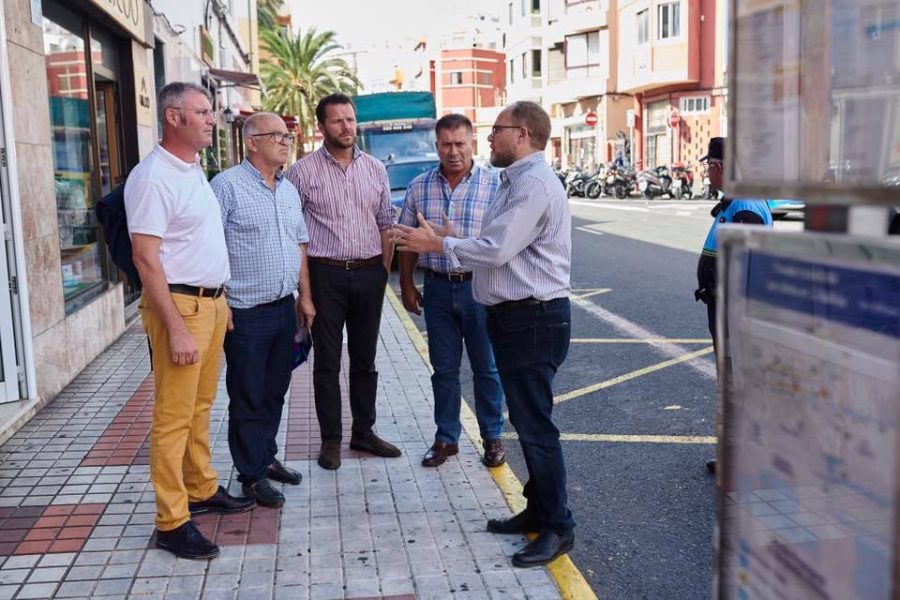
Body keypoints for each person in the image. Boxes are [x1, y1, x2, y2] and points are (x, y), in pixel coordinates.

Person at [392, 101, 575, 569]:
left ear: (524, 134)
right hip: (515, 316)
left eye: (496, 131)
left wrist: (439, 243)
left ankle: (558, 526)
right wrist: (454, 238)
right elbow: (494, 244)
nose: (488, 139)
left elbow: (494, 250)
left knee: (536, 426)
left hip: (533, 318)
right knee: (526, 419)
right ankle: (538, 509)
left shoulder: (532, 184)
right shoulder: (515, 181)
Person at [125, 82, 254, 560]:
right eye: (202, 112)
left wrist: (222, 304)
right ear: (173, 117)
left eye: (211, 112)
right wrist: (177, 327)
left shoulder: (192, 168)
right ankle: (171, 522)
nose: (212, 120)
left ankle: (201, 488)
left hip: (210, 305)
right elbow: (145, 258)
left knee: (200, 408)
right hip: (179, 308)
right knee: (173, 418)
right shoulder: (154, 176)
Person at [285, 94, 400, 471]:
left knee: (365, 359)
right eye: (337, 121)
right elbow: (295, 235)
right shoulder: (301, 173)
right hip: (325, 274)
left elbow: (386, 222)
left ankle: (363, 432)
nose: (346, 127)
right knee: (328, 363)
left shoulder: (375, 169)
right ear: (322, 127)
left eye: (350, 120)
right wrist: (305, 291)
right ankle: (331, 440)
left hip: (369, 272)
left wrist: (382, 271)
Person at [211, 112, 314, 508]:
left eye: (288, 136)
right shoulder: (226, 187)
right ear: (252, 142)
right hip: (245, 311)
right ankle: (250, 475)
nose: (286, 142)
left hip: (283, 307)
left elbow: (300, 244)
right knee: (248, 394)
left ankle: (265, 457)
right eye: (278, 136)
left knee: (275, 390)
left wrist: (304, 297)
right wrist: (221, 302)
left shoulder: (288, 190)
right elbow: (211, 246)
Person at [397, 114, 506, 469]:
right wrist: (407, 285)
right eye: (446, 144)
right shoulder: (419, 187)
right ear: (437, 146)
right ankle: (446, 438)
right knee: (443, 370)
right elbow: (408, 241)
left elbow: (502, 243)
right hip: (439, 291)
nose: (454, 151)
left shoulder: (495, 185)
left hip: (481, 288)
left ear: (472, 143)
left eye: (460, 143)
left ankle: (492, 437)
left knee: (486, 368)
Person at [694, 137, 772, 474]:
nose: (708, 174)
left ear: (720, 168)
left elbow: (745, 268)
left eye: (709, 167)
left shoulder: (744, 207)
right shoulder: (735, 203)